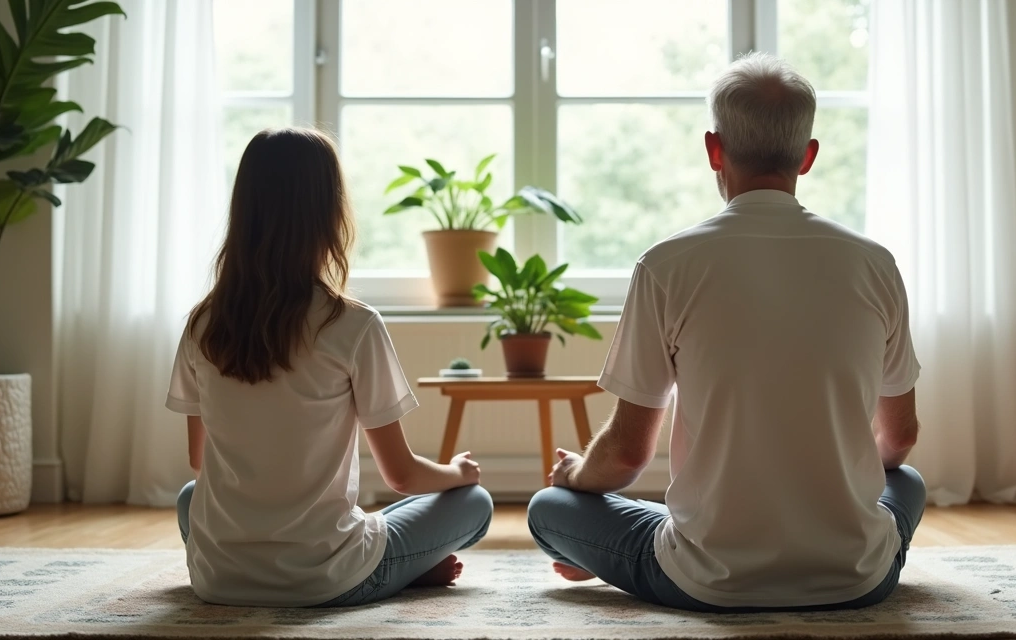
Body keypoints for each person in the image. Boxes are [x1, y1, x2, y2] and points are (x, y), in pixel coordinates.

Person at [526, 52, 926, 613]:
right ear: (807, 157)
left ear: (714, 149)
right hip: (856, 578)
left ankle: (605, 550)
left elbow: (624, 455)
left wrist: (573, 475)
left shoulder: (666, 265)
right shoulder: (874, 263)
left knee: (549, 508)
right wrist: (836, 478)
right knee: (905, 480)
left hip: (708, 580)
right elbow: (899, 437)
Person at [166, 128, 492, 608]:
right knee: (474, 504)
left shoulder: (203, 324)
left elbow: (201, 458)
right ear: (329, 214)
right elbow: (402, 477)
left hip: (218, 578)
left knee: (192, 495)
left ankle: (402, 562)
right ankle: (406, 567)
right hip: (326, 578)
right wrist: (457, 471)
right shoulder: (352, 324)